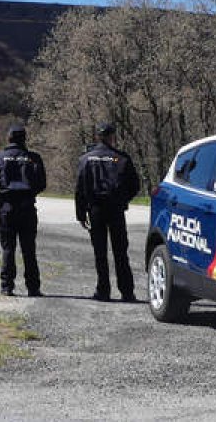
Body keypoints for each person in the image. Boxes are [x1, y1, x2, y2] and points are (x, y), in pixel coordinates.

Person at [76, 122, 141, 302]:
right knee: (121, 252)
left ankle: (103, 291)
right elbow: (135, 186)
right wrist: (122, 200)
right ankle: (127, 292)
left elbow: (80, 188)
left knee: (100, 253)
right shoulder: (122, 158)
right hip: (116, 210)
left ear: (98, 136)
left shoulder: (85, 159)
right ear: (113, 136)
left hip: (95, 209)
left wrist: (81, 213)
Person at [0, 122, 47, 297]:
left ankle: (7, 287)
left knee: (8, 249)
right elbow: (42, 183)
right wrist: (28, 193)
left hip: (7, 208)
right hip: (27, 207)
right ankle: (33, 288)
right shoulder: (34, 158)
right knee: (29, 249)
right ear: (24, 139)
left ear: (9, 138)